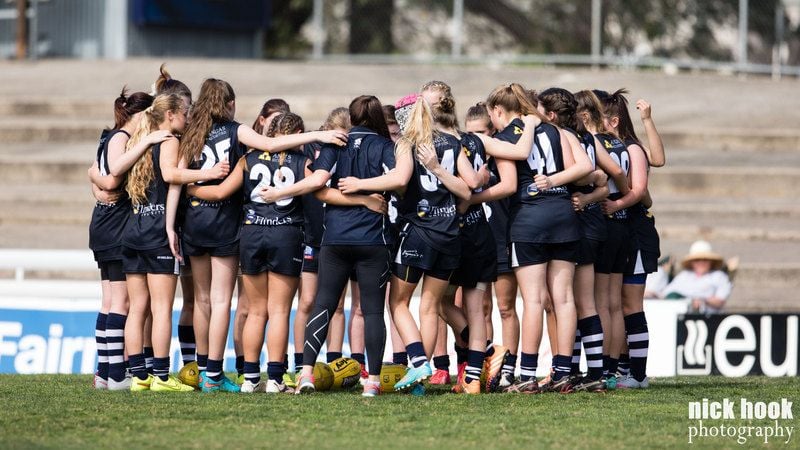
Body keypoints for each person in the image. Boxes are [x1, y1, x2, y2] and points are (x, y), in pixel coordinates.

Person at [175, 78, 347, 393]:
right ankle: (275, 378)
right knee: (278, 310)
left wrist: (192, 189)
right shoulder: (300, 160)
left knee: (249, 308)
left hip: (247, 232)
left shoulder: (241, 156)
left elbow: (219, 190)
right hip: (282, 233)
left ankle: (248, 377)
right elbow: (318, 187)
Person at [483, 83, 592, 393]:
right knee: (564, 298)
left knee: (533, 300)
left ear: (499, 111)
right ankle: (563, 373)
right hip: (564, 217)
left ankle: (528, 375)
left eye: (493, 116)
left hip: (529, 221)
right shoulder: (556, 131)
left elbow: (508, 183)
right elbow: (584, 167)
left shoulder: (502, 138)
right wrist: (554, 182)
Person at [288, 95, 393, 397]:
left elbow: (318, 183)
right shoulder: (385, 146)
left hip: (335, 238)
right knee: (373, 311)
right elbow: (398, 181)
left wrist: (280, 192)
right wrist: (366, 197)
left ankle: (306, 374)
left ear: (352, 117)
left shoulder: (335, 145)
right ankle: (372, 381)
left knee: (323, 304)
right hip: (373, 239)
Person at [122, 93, 205, 392]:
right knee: (161, 308)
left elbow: (115, 171)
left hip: (133, 233)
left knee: (137, 308)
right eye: (184, 112)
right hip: (157, 234)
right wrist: (208, 173)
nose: (187, 118)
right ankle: (160, 376)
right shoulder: (169, 141)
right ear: (170, 114)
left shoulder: (138, 141)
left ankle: (139, 377)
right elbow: (172, 177)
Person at [87, 89, 158, 390]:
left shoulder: (111, 136)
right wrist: (147, 143)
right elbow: (113, 176)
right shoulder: (120, 138)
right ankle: (117, 374)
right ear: (140, 115)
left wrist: (95, 179)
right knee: (121, 301)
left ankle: (105, 372)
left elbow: (96, 172)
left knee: (109, 301)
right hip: (114, 225)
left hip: (104, 223)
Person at [601, 89, 660, 390]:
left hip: (637, 233)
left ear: (612, 121)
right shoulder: (608, 147)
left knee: (630, 303)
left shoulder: (631, 147)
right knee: (617, 303)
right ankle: (624, 368)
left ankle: (638, 374)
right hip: (621, 232)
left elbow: (645, 182)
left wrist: (647, 120)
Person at [663, 241, 732, 314]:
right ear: (692, 262)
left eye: (705, 260)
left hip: (708, 316)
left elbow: (720, 301)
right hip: (680, 313)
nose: (701, 263)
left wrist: (702, 301)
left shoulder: (719, 276)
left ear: (711, 261)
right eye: (697, 260)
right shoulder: (684, 276)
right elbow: (666, 294)